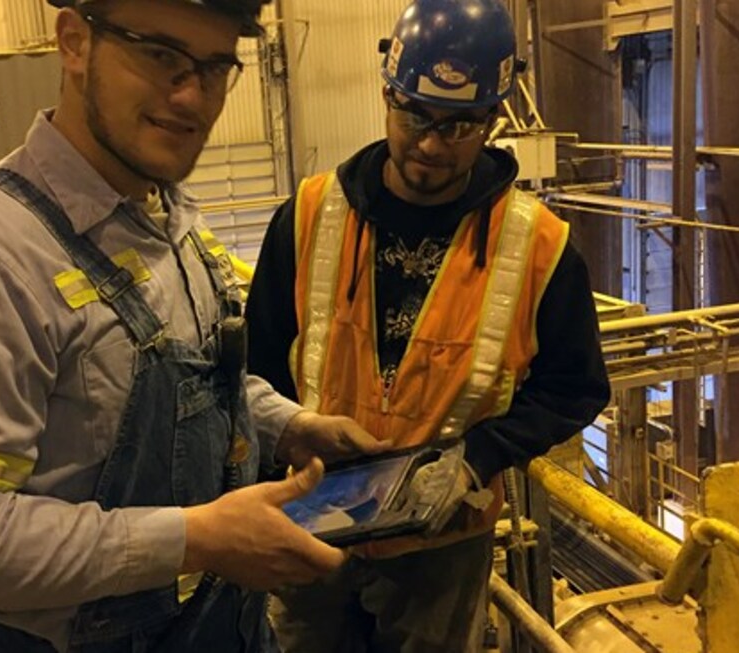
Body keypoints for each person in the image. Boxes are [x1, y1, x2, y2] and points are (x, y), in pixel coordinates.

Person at [0, 1, 388, 651]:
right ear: (75, 42)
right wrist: (195, 538)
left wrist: (292, 427)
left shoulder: (168, 220)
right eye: (161, 55)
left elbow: (192, 383)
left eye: (215, 66)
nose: (192, 95)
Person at [245, 0, 612, 650]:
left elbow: (574, 387)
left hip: (442, 543)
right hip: (310, 519)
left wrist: (477, 458)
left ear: (494, 119)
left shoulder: (538, 246)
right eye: (414, 114)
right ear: (386, 93)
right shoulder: (307, 216)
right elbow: (257, 366)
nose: (431, 143)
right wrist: (289, 439)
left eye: (460, 125)